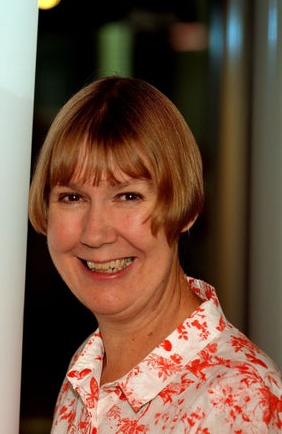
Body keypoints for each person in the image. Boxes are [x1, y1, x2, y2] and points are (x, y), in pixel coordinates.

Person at [28, 76, 282, 433]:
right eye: (72, 197)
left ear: (187, 207)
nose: (95, 233)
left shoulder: (238, 398)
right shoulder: (86, 370)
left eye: (128, 196)